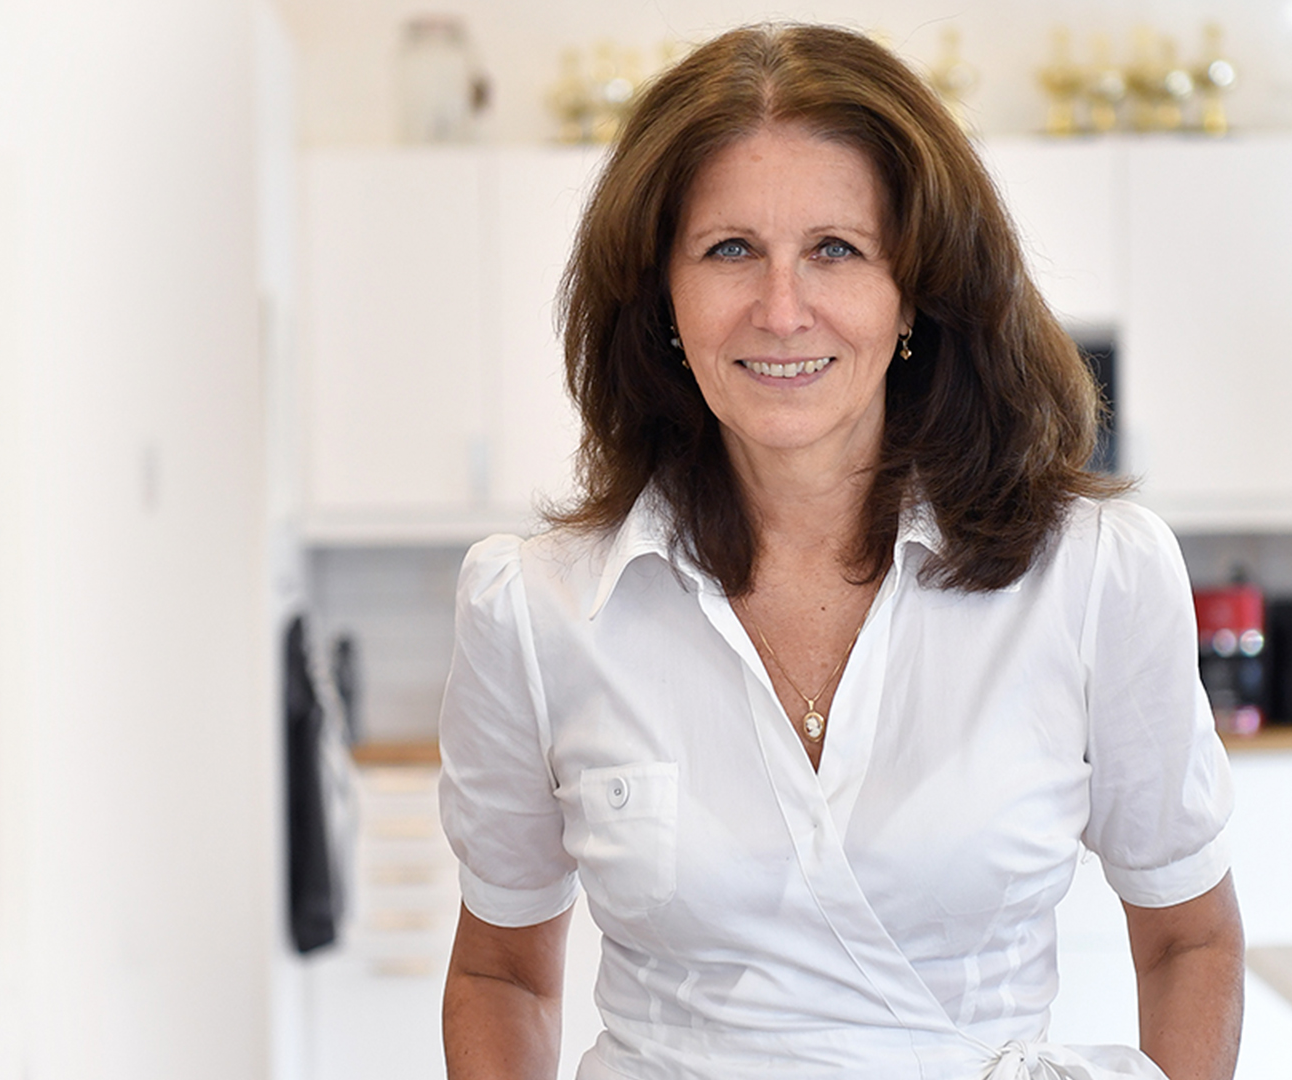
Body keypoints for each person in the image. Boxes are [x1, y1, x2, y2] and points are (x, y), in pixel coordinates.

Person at [438, 22, 1242, 1080]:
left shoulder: (1095, 575)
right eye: (730, 249)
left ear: (913, 293)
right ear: (663, 297)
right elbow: (500, 973)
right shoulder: (535, 608)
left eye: (836, 249)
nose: (782, 310)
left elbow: (1190, 940)